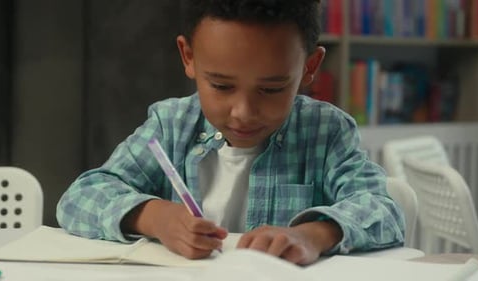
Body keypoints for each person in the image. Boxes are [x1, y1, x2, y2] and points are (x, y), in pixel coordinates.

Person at [57, 0, 404, 265]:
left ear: (309, 67)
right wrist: (154, 217)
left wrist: (311, 235)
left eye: (271, 89)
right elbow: (81, 197)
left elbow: (381, 210)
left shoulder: (325, 132)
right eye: (221, 86)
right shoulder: (170, 125)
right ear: (188, 56)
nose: (244, 112)